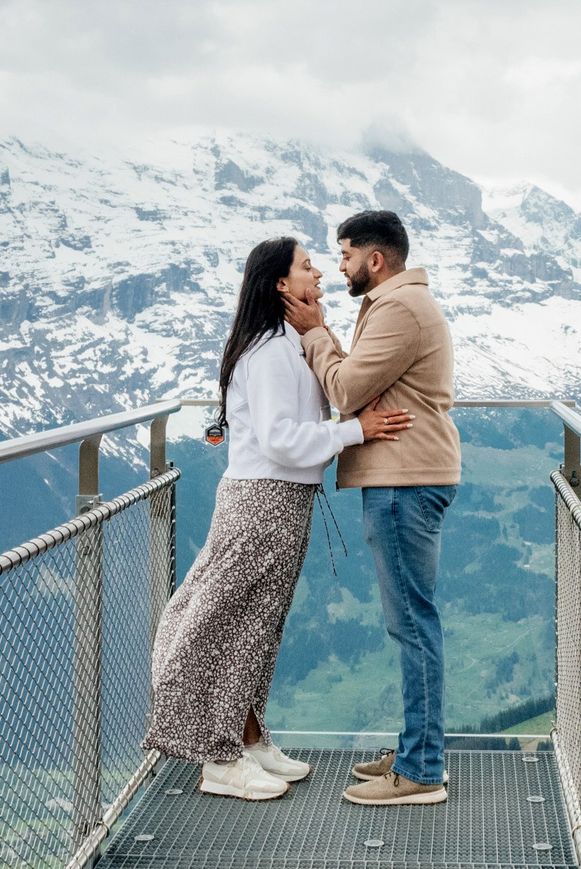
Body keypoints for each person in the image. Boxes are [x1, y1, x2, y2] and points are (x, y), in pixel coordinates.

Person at [147, 236, 411, 799]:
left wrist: (323, 340)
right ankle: (218, 758)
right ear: (281, 284)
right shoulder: (268, 350)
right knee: (227, 624)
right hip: (261, 499)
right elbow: (279, 439)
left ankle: (247, 737)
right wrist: (354, 432)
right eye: (307, 266)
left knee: (258, 626)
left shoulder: (289, 341)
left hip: (282, 500)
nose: (319, 273)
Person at [284, 209, 459, 807]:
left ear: (375, 259)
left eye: (346, 255)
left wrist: (313, 332)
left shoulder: (398, 309)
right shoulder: (394, 304)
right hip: (404, 476)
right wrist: (329, 339)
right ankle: (417, 749)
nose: (339, 267)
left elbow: (344, 390)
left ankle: (420, 770)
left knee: (411, 623)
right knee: (412, 620)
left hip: (403, 480)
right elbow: (357, 381)